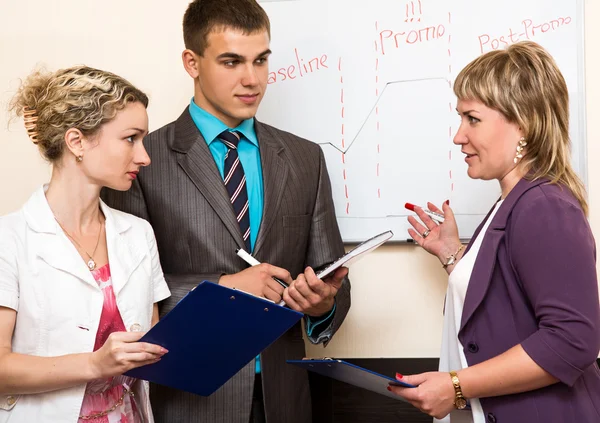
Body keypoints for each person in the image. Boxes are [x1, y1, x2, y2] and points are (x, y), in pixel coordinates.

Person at [101, 0, 351, 422]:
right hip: (188, 399)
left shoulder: (306, 158)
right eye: (232, 61)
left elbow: (333, 280)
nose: (252, 79)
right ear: (191, 62)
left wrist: (322, 304)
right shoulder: (141, 161)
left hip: (285, 399)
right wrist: (224, 287)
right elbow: (123, 293)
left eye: (260, 60)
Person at [388, 41, 600, 422]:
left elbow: (573, 341)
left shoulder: (543, 206)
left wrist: (456, 385)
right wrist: (454, 257)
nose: (458, 136)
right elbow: (508, 307)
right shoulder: (513, 202)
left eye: (472, 118)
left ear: (523, 123)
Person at [0, 66, 172, 423]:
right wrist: (94, 364)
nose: (144, 156)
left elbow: (150, 346)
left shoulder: (138, 234)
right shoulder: (10, 239)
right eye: (130, 138)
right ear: (76, 141)